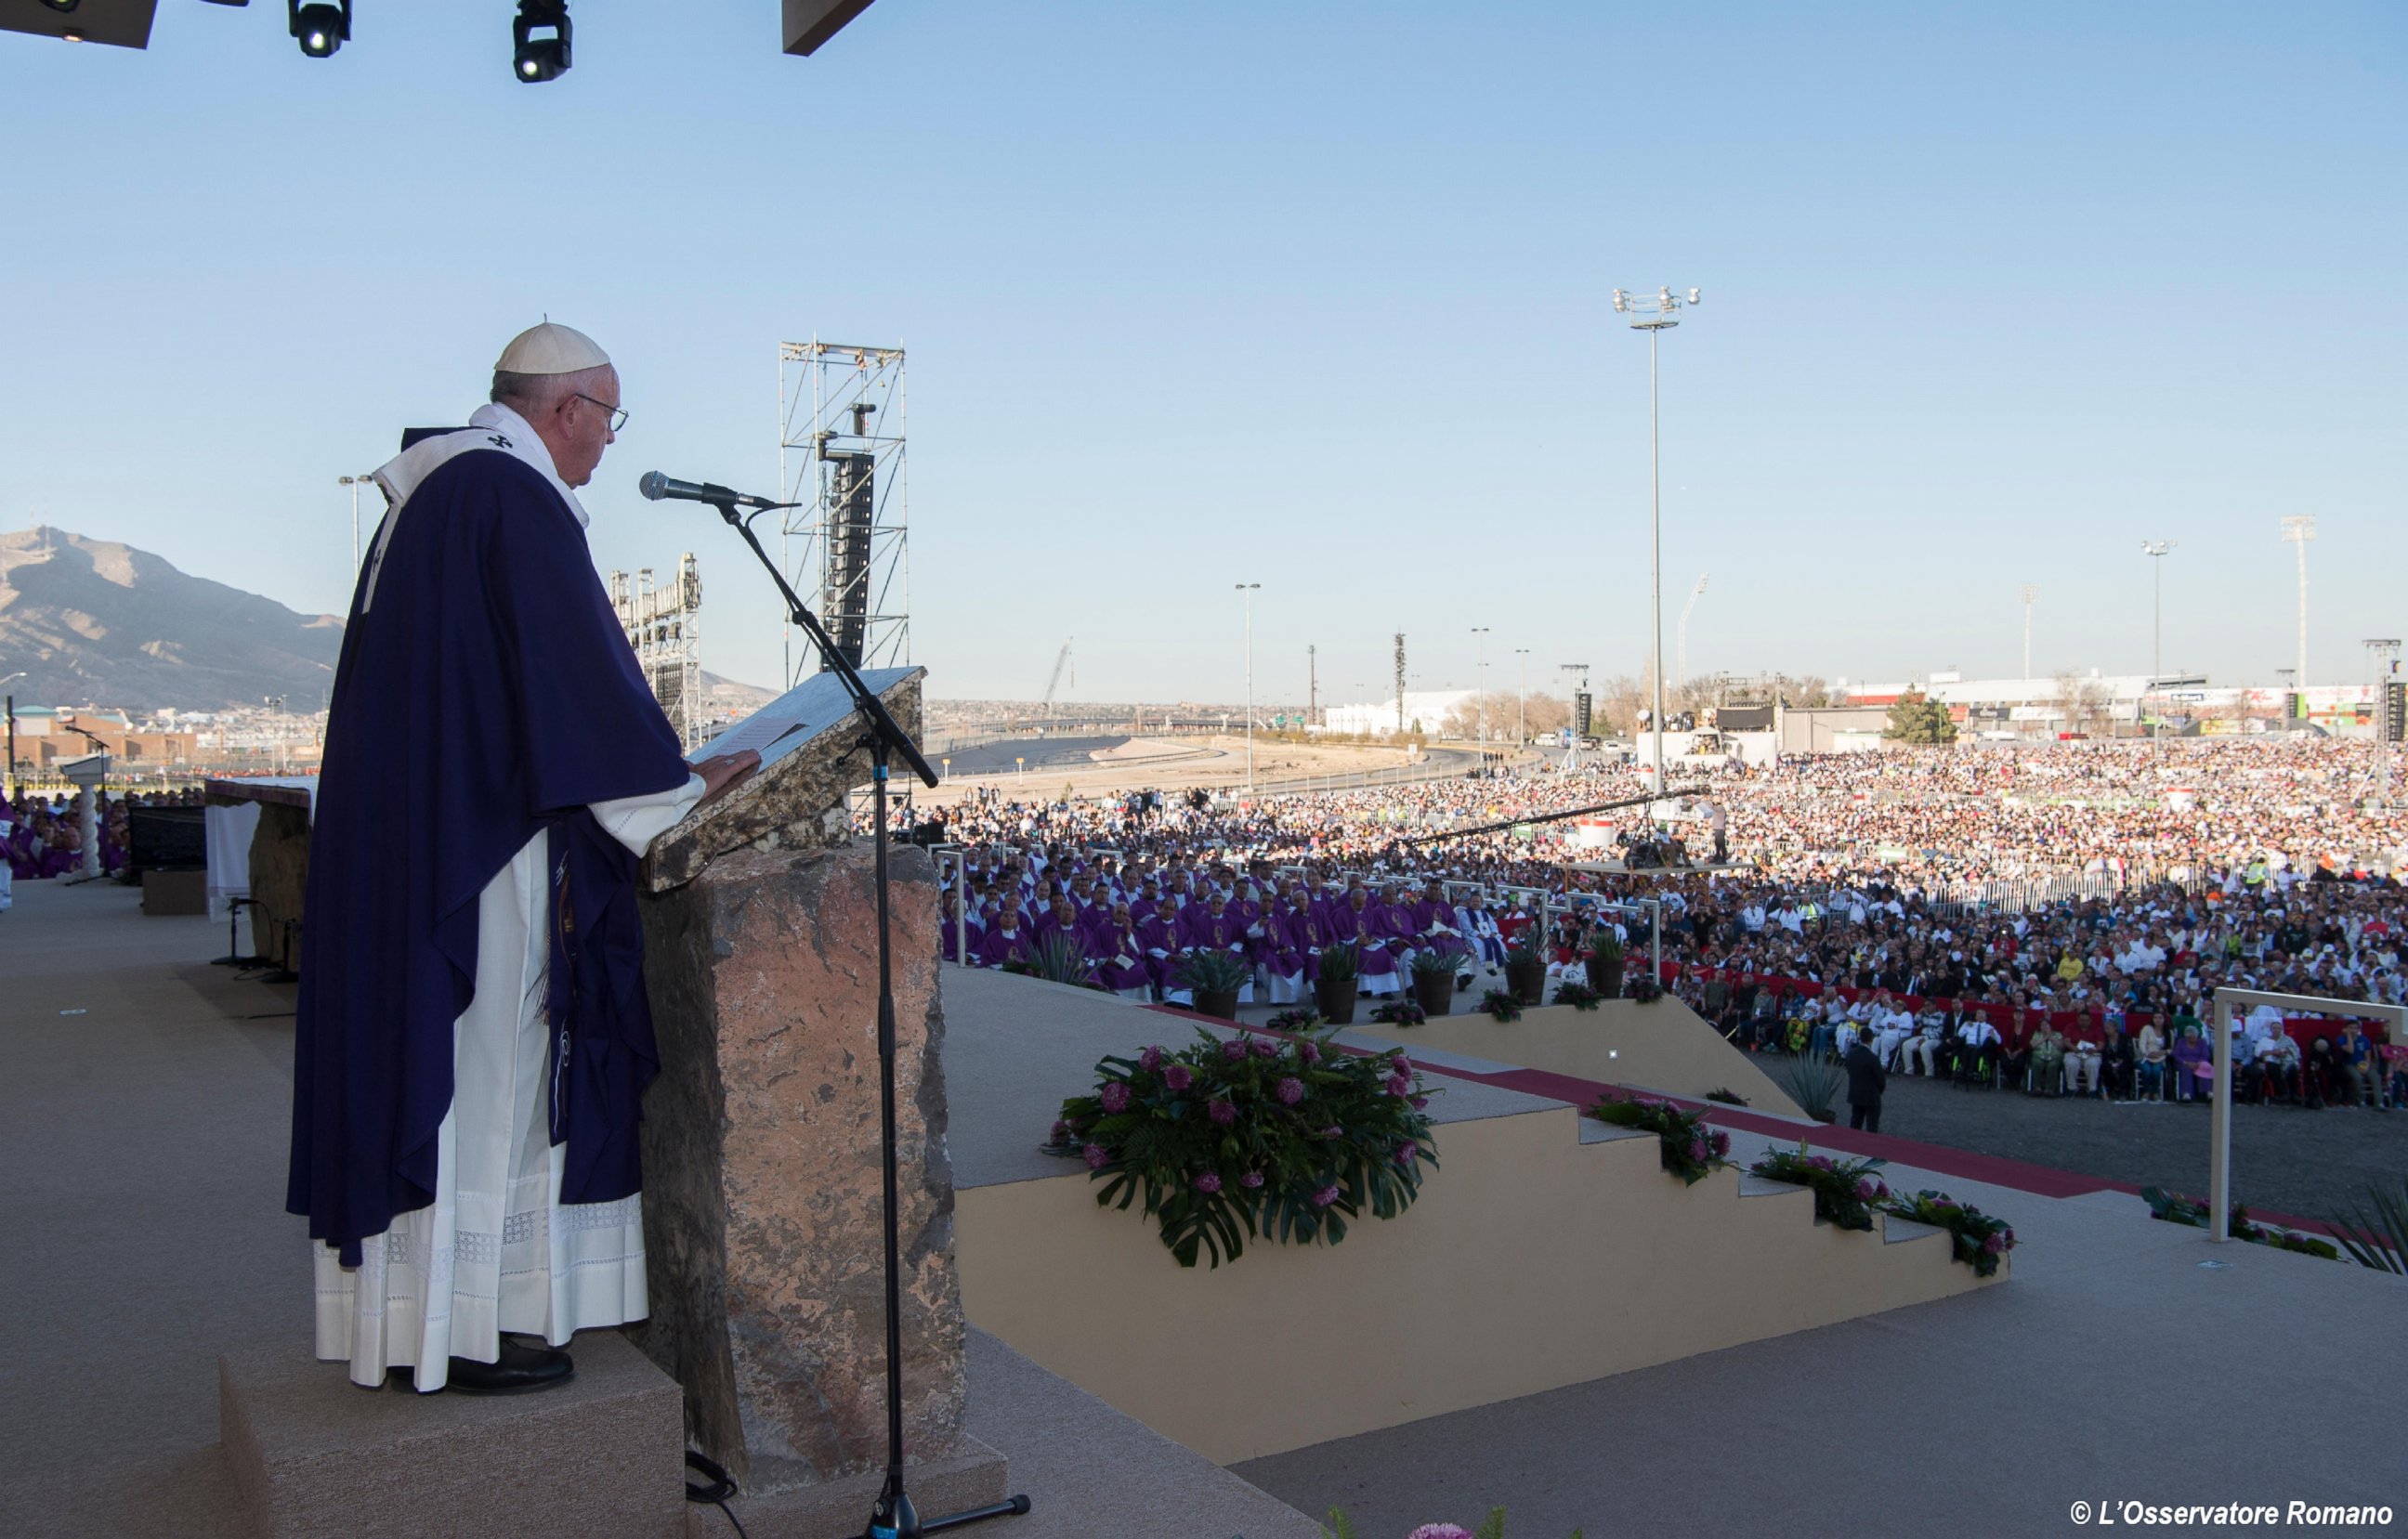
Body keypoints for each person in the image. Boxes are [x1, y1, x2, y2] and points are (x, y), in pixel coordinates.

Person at [289, 324, 758, 1396]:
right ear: (566, 409)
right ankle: (465, 1324)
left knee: (450, 1069)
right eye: (608, 418)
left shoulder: (435, 495)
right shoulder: (511, 497)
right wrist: (680, 790)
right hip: (479, 855)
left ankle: (429, 1314)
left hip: (422, 837)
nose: (604, 446)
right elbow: (576, 682)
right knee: (486, 1074)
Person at [1843, 1032, 1887, 1133]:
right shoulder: (1872, 1058)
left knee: (1855, 1123)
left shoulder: (1851, 1054)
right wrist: (1878, 1091)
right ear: (1871, 1040)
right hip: (1871, 1095)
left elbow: (1849, 1069)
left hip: (1855, 1092)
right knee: (1872, 1126)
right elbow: (1881, 1079)